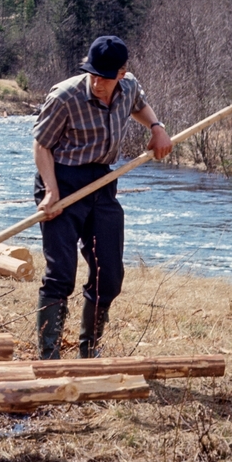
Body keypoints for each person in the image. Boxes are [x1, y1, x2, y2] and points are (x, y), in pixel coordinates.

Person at [31, 35, 172, 359]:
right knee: (60, 275)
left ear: (121, 74)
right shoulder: (65, 96)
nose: (97, 83)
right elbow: (41, 146)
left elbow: (139, 105)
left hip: (103, 180)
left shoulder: (129, 86)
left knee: (108, 275)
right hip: (61, 179)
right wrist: (51, 190)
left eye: (104, 78)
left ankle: (88, 351)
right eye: (92, 74)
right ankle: (49, 357)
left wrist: (156, 127)